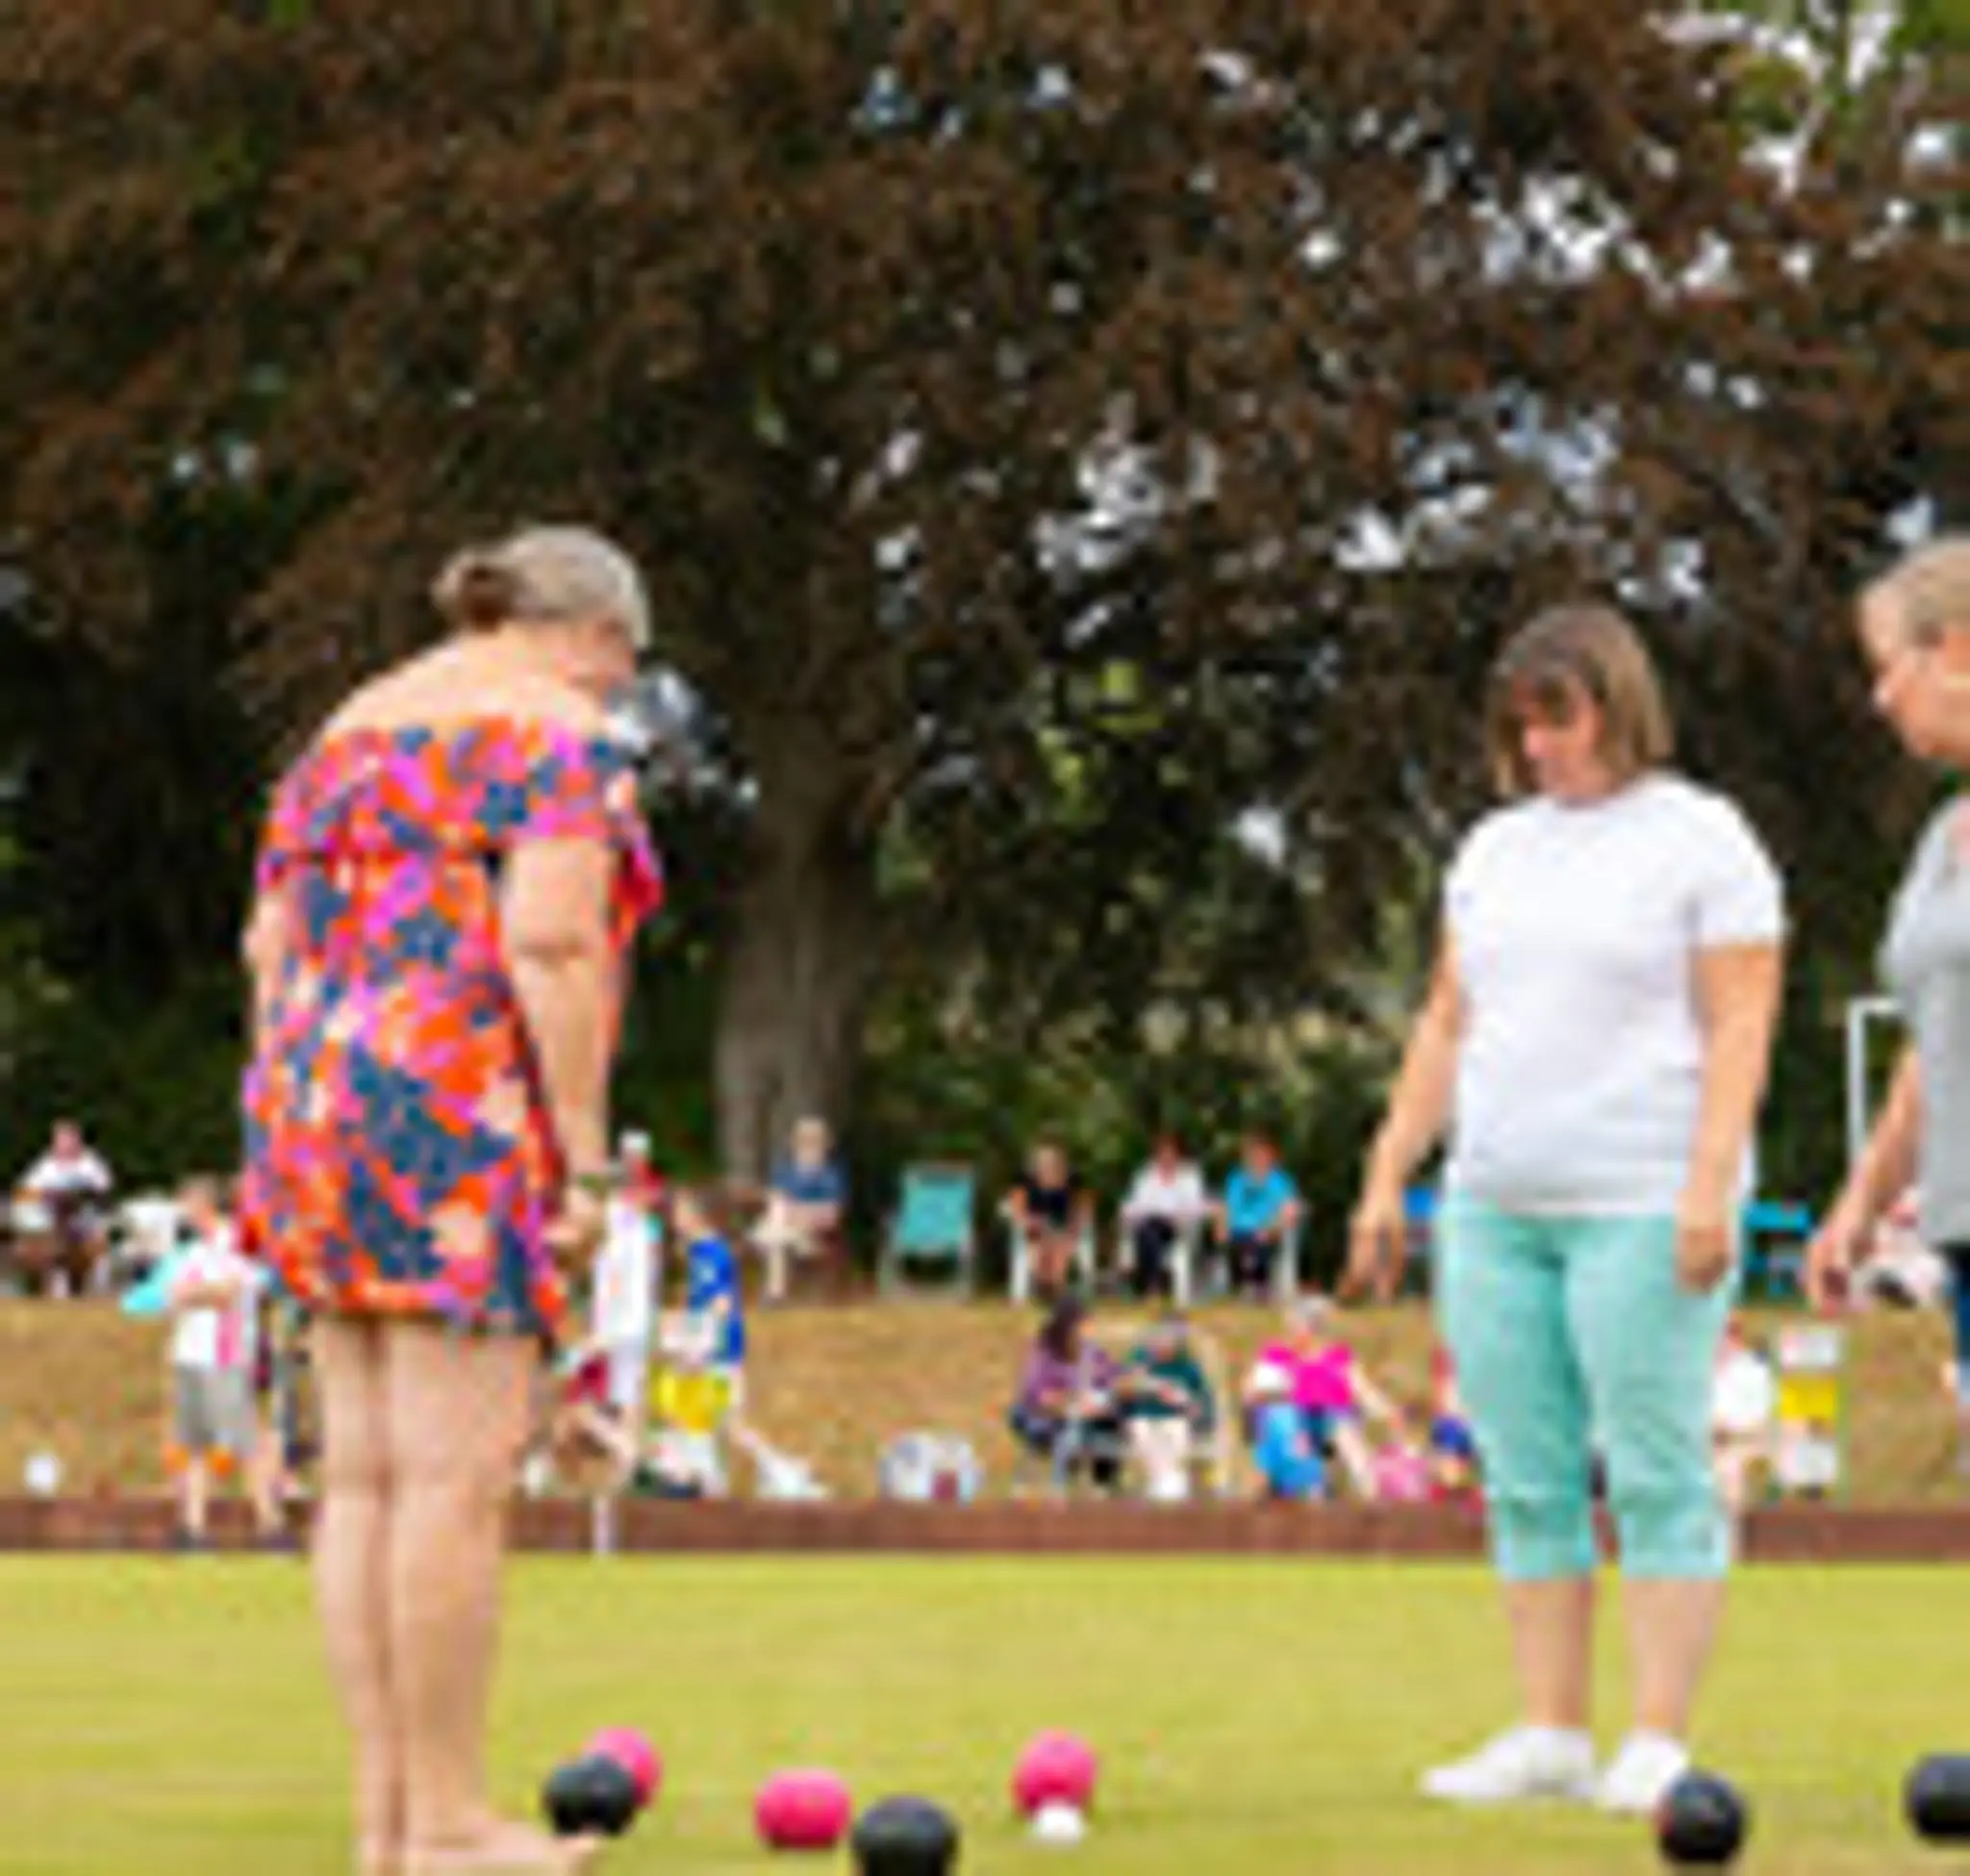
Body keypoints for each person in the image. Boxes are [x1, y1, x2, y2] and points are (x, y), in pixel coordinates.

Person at [238, 524, 664, 1876]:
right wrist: (586, 1155)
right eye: (627, 668)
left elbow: (268, 947)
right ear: (598, 633)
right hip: (452, 1106)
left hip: (309, 1102)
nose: (621, 694)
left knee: (361, 1475)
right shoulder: (557, 736)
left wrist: (298, 1110)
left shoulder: (343, 735)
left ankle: (390, 1824)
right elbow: (549, 941)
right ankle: (449, 1826)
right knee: (453, 1480)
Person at [1346, 602, 1784, 1813]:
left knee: (1651, 1469)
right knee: (1525, 1474)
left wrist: (1709, 1181)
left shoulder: (1702, 839)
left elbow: (1741, 1019)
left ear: (1616, 704)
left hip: (1643, 1201)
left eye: (1558, 718)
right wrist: (1389, 1174)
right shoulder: (1491, 850)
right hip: (1493, 1205)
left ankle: (1654, 1736)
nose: (1536, 745)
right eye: (1519, 724)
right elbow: (1445, 1019)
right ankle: (1547, 1731)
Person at [1808, 537, 1970, 1473]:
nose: (1876, 699)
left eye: (1886, 670)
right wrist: (1860, 1203)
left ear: (1953, 651)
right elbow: (1930, 1039)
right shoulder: (1937, 844)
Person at [165, 1176, 285, 1550]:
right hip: (190, 1354)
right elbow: (174, 1294)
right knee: (195, 1444)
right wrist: (194, 1294)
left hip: (226, 1356)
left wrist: (195, 1294)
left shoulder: (236, 1243)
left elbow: (229, 1293)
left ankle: (271, 1526)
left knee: (245, 1442)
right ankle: (194, 1528)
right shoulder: (193, 1251)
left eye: (188, 1203)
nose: (184, 1212)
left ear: (205, 1204)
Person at [1256, 1294, 1400, 1501]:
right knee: (1302, 1443)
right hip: (1300, 1426)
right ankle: (1308, 1494)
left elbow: (1361, 1389)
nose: (1291, 1333)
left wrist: (1386, 1410)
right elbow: (1258, 1392)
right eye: (1290, 1327)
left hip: (1335, 1425)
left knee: (1345, 1436)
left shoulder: (1338, 1357)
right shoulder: (1279, 1357)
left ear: (1313, 1329)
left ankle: (1372, 1499)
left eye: (1296, 1326)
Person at [1007, 1293, 1123, 1493]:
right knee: (1066, 1431)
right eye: (1084, 1324)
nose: (1089, 1329)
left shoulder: (1092, 1352)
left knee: (1112, 1421)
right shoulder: (1044, 1354)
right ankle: (1059, 1488)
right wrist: (1073, 1400)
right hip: (1044, 1416)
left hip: (1084, 1414)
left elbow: (1114, 1377)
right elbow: (1040, 1396)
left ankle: (1104, 1487)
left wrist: (1109, 1396)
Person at [1114, 1309, 1216, 1501]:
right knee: (1145, 1434)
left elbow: (1203, 1403)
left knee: (1175, 1437)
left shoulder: (1188, 1366)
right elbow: (1121, 1390)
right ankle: (1169, 1485)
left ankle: (1164, 1485)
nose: (1164, 1345)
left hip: (1176, 1420)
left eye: (1172, 1340)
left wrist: (1187, 1402)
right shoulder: (1140, 1357)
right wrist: (1139, 1380)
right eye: (1161, 1338)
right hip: (1143, 1418)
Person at [750, 1116, 847, 1304]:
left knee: (774, 1232)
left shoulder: (831, 1175)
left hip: (816, 1233)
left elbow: (833, 1215)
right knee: (777, 1231)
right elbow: (776, 1202)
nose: (809, 1147)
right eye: (804, 1141)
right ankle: (776, 1294)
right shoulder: (784, 1172)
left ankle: (775, 1292)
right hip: (787, 1228)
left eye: (815, 1141)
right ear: (795, 1144)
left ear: (825, 1145)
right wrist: (793, 1211)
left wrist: (800, 1213)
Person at [13, 1118, 114, 1297]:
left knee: (96, 1245)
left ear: (78, 1141)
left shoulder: (91, 1165)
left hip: (84, 1224)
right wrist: (47, 1196)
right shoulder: (45, 1165)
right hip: (49, 1223)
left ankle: (95, 1289)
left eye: (68, 1139)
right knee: (28, 1248)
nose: (64, 1144)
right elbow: (25, 1193)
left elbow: (103, 1193)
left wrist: (78, 1197)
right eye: (59, 1140)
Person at [1116, 1133, 1210, 1301]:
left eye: (1170, 1153)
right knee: (1146, 1231)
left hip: (1178, 1227)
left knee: (1148, 1232)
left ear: (1178, 1154)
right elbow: (1136, 1204)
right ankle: (1153, 1285)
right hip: (1150, 1224)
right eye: (1162, 1153)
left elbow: (1197, 1205)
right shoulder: (1146, 1175)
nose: (1166, 1157)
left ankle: (1150, 1286)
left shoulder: (1189, 1175)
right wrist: (1127, 1212)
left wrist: (1180, 1215)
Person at [1213, 1133, 1303, 1301]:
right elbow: (1224, 1205)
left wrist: (1272, 1227)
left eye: (1263, 1154)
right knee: (1230, 1242)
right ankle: (1240, 1287)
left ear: (1272, 1156)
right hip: (1237, 1230)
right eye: (1254, 1154)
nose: (1258, 1158)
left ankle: (1258, 1288)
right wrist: (1221, 1225)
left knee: (1258, 1242)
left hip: (1267, 1230)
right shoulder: (1236, 1178)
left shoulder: (1280, 1180)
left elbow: (1291, 1209)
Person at [1004, 1137, 1094, 1301]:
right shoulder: (1024, 1181)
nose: (1047, 1167)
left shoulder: (1073, 1179)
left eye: (1053, 1163)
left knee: (1059, 1245)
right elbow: (1016, 1210)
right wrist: (1031, 1222)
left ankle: (1054, 1287)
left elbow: (1084, 1209)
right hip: (1034, 1231)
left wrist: (1074, 1229)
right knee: (1044, 1244)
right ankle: (1048, 1287)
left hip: (1064, 1229)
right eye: (1043, 1163)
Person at [1711, 1316, 1777, 1516]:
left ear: (1737, 1337)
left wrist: (1728, 1429)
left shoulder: (1754, 1371)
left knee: (1728, 1473)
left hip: (1737, 1446)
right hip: (1694, 1445)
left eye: (1728, 1333)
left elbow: (1761, 1414)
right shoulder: (1693, 1366)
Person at [1244, 1359, 1326, 1502]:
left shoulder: (1263, 1419)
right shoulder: (1299, 1412)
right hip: (1315, 1487)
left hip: (1288, 1491)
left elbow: (1264, 1473)